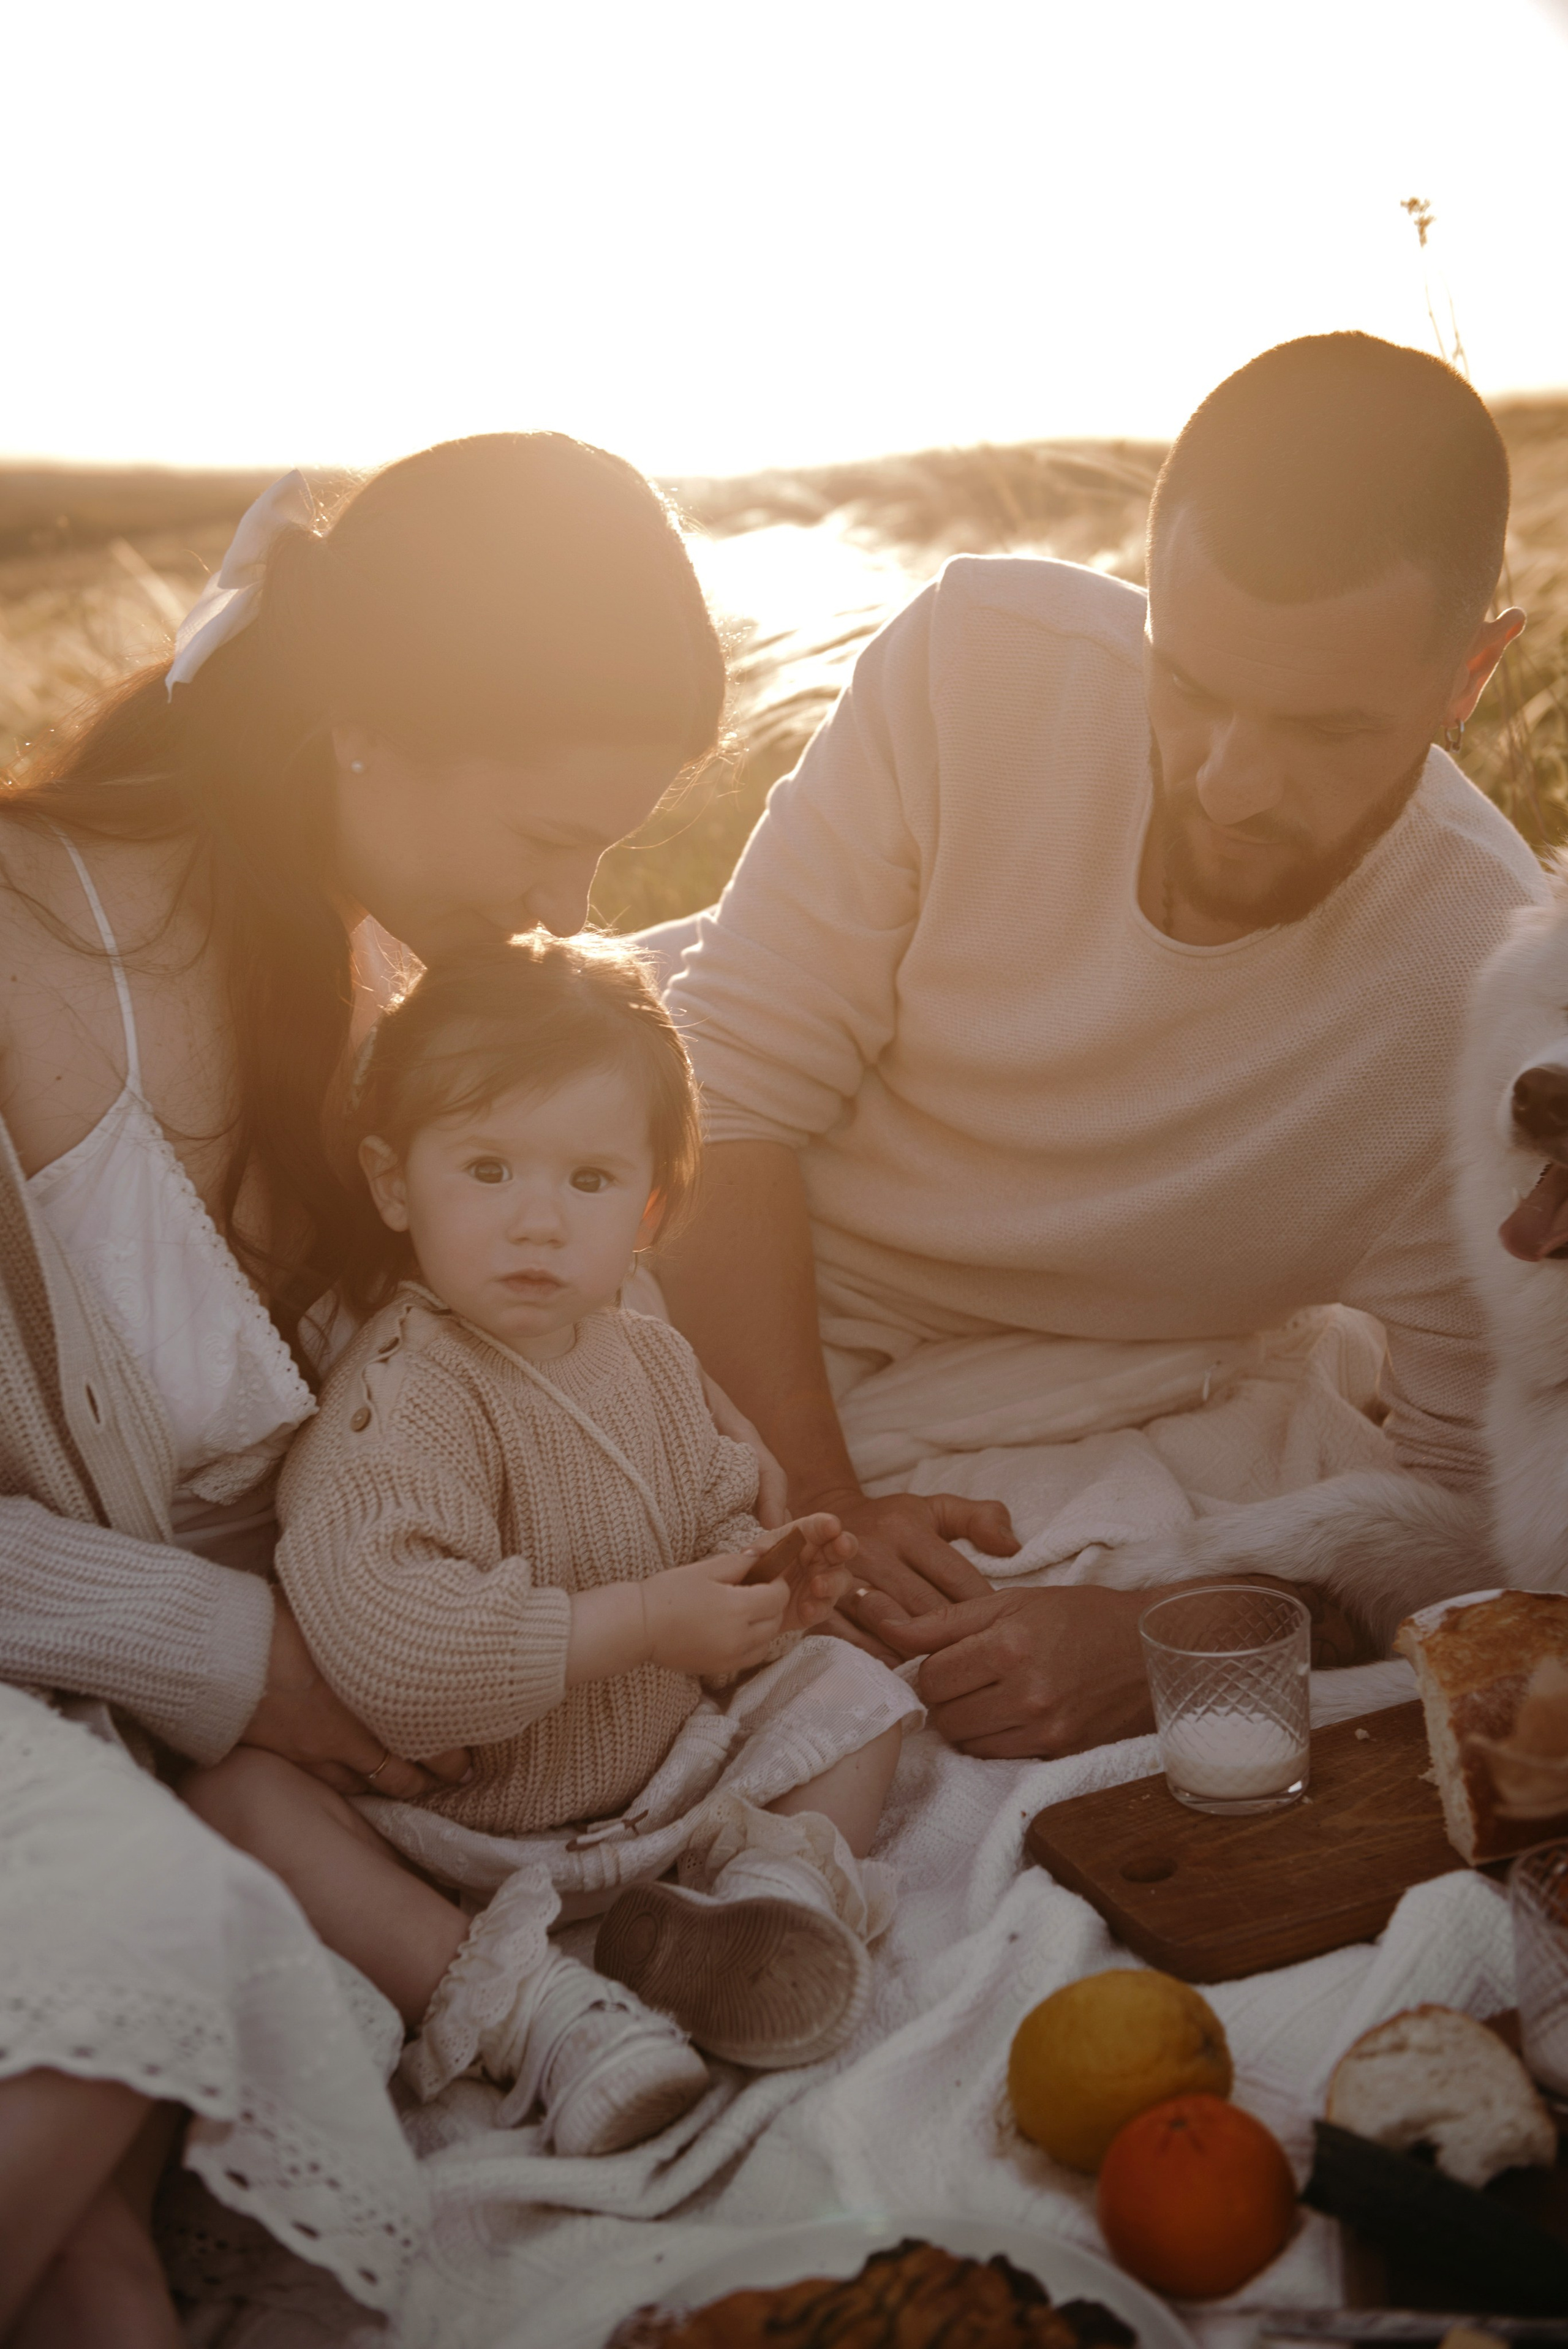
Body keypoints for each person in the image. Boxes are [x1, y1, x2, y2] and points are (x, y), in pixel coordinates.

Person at [0, 433, 767, 2343]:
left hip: (261, 1737)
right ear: (365, 730)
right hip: (92, 1682)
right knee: (141, 1983)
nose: (578, 895)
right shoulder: (22, 939)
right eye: (546, 836)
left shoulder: (396, 999)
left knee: (129, 2209)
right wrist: (225, 1644)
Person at [651, 332, 1547, 1763]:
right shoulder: (971, 659)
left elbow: (1475, 1500)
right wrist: (822, 1503)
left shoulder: (1498, 996)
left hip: (1111, 1397)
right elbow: (723, 1095)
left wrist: (1180, 1630)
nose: (1231, 785)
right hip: (750, 1302)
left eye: (1326, 727)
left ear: (1468, 672)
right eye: (1189, 685)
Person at [183, 936, 917, 2151]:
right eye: (485, 1169)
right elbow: (392, 1650)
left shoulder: (647, 1351)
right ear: (392, 1182)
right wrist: (634, 1620)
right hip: (457, 1827)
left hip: (664, 1774)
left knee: (855, 1686)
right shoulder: (402, 1398)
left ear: (649, 1208)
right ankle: (539, 2011)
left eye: (586, 1181)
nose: (535, 1219)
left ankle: (762, 1898)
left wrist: (763, 1574)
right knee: (239, 1798)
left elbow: (713, 1497)